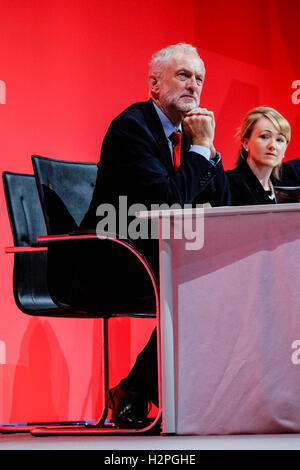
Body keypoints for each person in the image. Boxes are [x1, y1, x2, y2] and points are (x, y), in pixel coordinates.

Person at [80, 43, 231, 428]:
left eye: (199, 79)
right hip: (110, 260)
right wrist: (199, 148)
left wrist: (208, 149)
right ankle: (137, 389)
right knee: (197, 284)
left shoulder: (188, 135)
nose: (194, 86)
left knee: (220, 279)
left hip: (159, 256)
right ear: (154, 84)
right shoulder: (132, 128)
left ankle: (136, 388)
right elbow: (167, 202)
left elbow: (225, 204)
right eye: (183, 75)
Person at [226, 106, 291, 205]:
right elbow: (199, 217)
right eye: (264, 137)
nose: (272, 145)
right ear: (245, 143)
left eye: (279, 140)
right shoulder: (228, 183)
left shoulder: (287, 187)